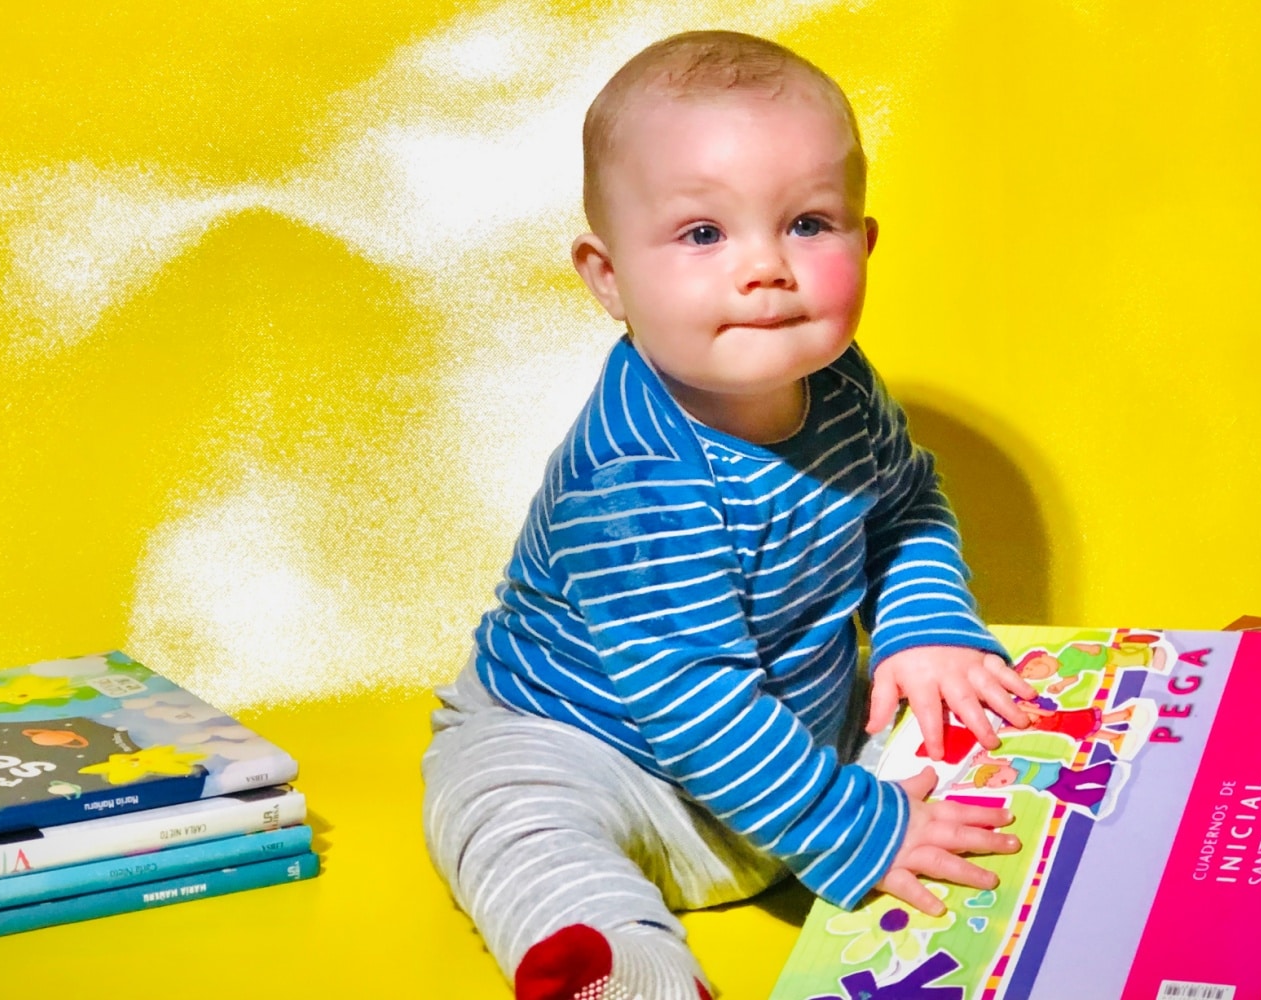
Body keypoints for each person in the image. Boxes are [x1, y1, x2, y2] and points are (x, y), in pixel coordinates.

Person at [422, 30, 1032, 1000]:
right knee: (517, 822)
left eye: (806, 223)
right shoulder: (635, 469)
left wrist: (923, 626)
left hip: (786, 749)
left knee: (986, 741)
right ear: (607, 275)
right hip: (591, 738)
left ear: (863, 243)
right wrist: (854, 828)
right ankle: (622, 971)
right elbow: (685, 698)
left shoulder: (835, 383)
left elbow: (903, 501)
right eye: (703, 234)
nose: (765, 267)